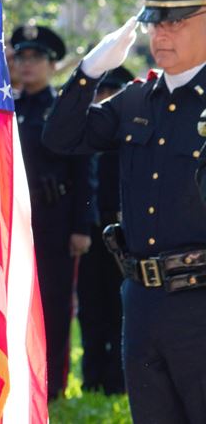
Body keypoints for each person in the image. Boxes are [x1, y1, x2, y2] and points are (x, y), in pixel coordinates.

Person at [43, 0, 206, 423]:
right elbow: (61, 139)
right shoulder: (137, 99)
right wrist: (89, 72)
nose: (162, 33)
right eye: (156, 22)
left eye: (177, 21)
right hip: (142, 299)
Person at [11, 24, 95, 399]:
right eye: (22, 57)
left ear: (52, 64)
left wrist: (81, 226)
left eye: (37, 58)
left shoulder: (61, 108)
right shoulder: (7, 105)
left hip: (54, 221)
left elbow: (82, 170)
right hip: (12, 222)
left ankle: (52, 385)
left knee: (53, 306)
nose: (28, 65)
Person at [77, 66, 133, 395]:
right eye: (100, 92)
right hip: (94, 230)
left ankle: (116, 379)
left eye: (112, 92)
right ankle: (91, 377)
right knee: (90, 307)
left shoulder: (132, 134)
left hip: (125, 234)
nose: (104, 99)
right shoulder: (89, 134)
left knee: (119, 307)